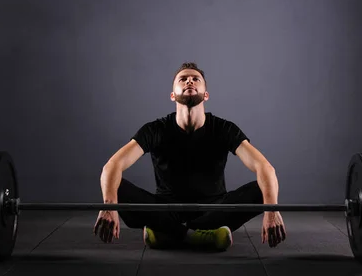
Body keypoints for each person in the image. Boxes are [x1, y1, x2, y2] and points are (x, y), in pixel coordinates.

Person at [94, 62, 286, 251]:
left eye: (196, 79)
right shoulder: (155, 129)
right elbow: (112, 165)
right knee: (114, 185)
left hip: (215, 211)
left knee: (263, 189)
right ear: (172, 95)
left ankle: (168, 235)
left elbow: (265, 167)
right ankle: (198, 236)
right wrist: (109, 206)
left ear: (206, 94)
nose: (189, 82)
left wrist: (272, 211)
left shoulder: (224, 128)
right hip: (165, 210)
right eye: (183, 79)